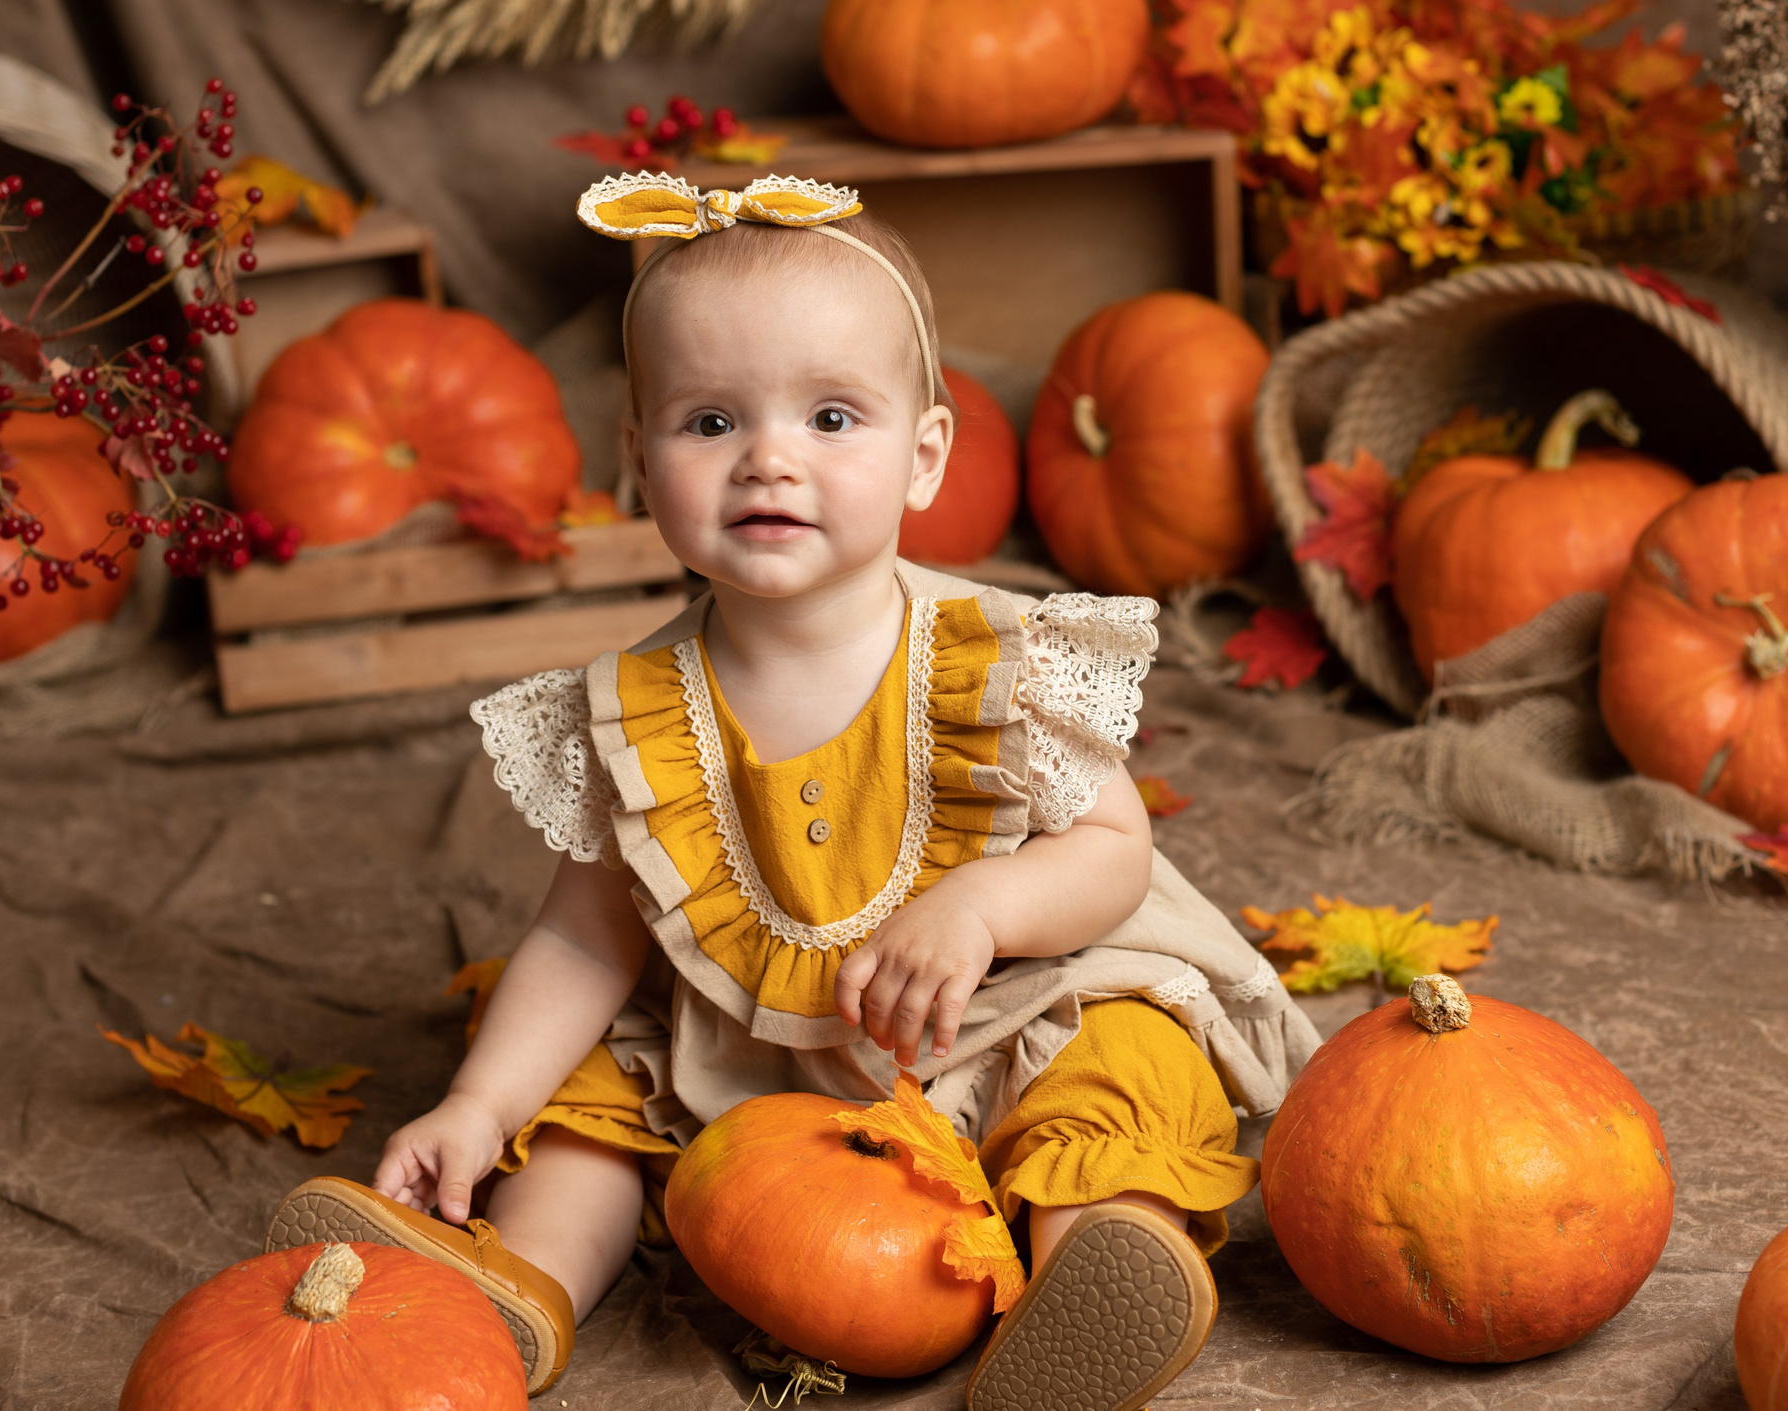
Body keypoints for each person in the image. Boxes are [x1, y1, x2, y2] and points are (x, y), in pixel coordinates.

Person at [263, 172, 1316, 1411]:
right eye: (709, 422)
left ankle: (1090, 1268)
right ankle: (515, 1287)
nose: (768, 457)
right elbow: (579, 933)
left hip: (996, 1021)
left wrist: (982, 906)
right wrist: (479, 1104)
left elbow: (1111, 853)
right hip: (749, 1067)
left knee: (1123, 1053)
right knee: (596, 1092)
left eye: (830, 417)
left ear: (924, 457)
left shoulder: (1000, 661)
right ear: (638, 463)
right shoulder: (637, 711)